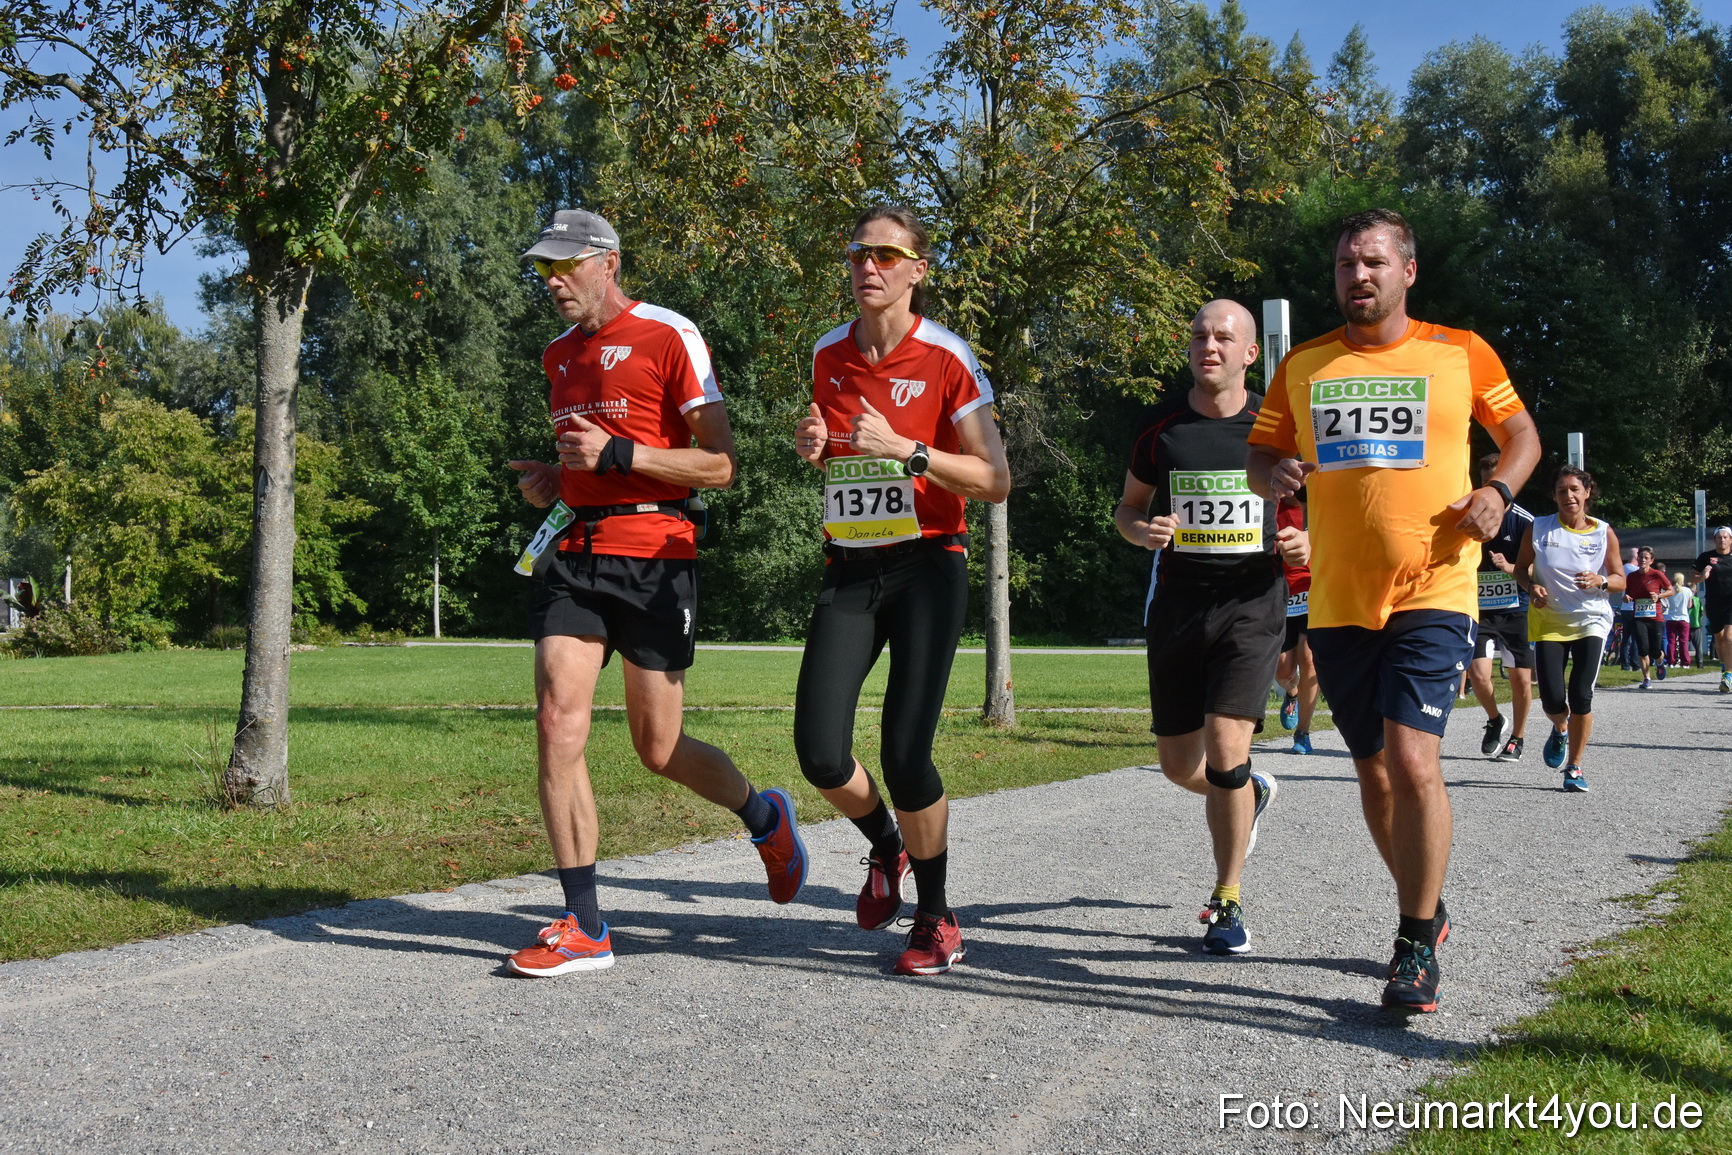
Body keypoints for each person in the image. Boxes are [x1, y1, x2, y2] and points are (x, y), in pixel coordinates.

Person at [1246, 208, 1540, 1013]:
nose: (1359, 276)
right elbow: (1261, 451)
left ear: (1408, 270)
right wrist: (1272, 474)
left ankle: (1413, 942)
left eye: (1373, 262)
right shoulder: (1303, 362)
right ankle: (1429, 906)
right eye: (1346, 264)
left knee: (1413, 762)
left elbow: (1521, 434)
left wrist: (1497, 490)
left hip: (1435, 585)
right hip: (1339, 596)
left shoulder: (1460, 350)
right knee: (1374, 772)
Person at [503, 209, 809, 977]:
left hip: (655, 555)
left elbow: (720, 465)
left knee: (659, 748)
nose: (553, 281)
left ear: (608, 261)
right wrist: (558, 478)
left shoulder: (670, 334)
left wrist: (617, 454)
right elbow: (588, 461)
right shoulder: (556, 355)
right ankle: (585, 924)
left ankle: (764, 815)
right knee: (556, 717)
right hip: (576, 553)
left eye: (566, 265)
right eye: (544, 268)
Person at [792, 205, 1010, 976]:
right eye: (859, 253)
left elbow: (995, 478)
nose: (868, 266)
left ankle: (936, 916)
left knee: (905, 751)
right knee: (820, 751)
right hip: (852, 564)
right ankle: (888, 845)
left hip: (928, 564)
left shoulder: (948, 355)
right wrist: (816, 445)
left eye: (885, 255)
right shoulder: (827, 352)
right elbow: (840, 450)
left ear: (917, 270)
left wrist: (911, 451)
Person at [1114, 299, 1306, 955]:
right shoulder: (1161, 427)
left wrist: (1306, 545)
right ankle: (1251, 791)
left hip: (1252, 602)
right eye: (1199, 335)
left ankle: (1227, 899)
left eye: (1224, 336)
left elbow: (1322, 511)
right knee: (1179, 765)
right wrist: (1144, 530)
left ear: (1251, 353)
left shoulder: (1276, 428)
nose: (1209, 346)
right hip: (1178, 604)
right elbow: (1128, 509)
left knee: (1226, 750)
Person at [1514, 466, 1623, 792]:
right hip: (1549, 622)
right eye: (1562, 491)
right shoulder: (1539, 527)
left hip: (1591, 619)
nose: (1569, 496)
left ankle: (1574, 766)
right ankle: (1560, 728)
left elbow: (1620, 580)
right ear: (1554, 496)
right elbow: (1521, 568)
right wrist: (1531, 586)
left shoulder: (1603, 532)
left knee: (1581, 694)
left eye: (1575, 489)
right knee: (1551, 700)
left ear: (1587, 492)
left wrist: (1601, 580)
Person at [1465, 452, 1534, 761]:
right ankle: (1495, 719)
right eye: (1484, 483)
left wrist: (1511, 567)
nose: (1489, 490)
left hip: (1516, 608)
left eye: (1495, 483)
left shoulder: (1525, 522)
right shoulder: (1470, 516)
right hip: (1481, 609)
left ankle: (1517, 738)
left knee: (1520, 678)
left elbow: (1540, 569)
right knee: (1478, 675)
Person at [1274, 494, 1321, 755]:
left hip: (1314, 587)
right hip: (1281, 591)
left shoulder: (1319, 502)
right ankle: (1292, 693)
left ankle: (1303, 733)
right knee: (1282, 671)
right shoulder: (1271, 504)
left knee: (1309, 658)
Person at [1623, 547, 1674, 689]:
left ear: (1651, 561)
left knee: (1655, 651)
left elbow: (1671, 590)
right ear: (1637, 559)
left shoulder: (1657, 575)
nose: (1643, 560)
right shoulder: (1631, 577)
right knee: (1643, 649)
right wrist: (1626, 598)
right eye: (1641, 557)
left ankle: (1660, 662)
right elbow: (1628, 594)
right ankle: (1647, 678)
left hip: (1656, 618)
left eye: (1646, 558)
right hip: (1638, 617)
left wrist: (1659, 596)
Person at [1695, 526, 1732, 692]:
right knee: (1719, 638)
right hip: (1714, 603)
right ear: (1715, 540)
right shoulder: (1706, 557)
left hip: (1730, 602)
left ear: (1730, 540)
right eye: (1719, 537)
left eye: (1725, 537)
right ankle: (1725, 665)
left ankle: (1728, 675)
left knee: (1729, 638)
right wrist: (1702, 576)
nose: (1722, 540)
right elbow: (1693, 578)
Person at [1663, 571, 1693, 669]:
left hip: (1671, 618)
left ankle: (1671, 662)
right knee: (1683, 641)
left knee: (1671, 641)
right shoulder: (1688, 591)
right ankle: (1685, 662)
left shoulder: (1670, 591)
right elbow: (1689, 605)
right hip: (1683, 618)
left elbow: (1666, 602)